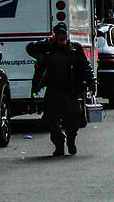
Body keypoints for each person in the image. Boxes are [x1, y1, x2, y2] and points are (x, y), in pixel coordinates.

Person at [27, 23, 96, 157]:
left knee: (74, 116)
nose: (61, 37)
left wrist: (90, 81)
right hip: (53, 90)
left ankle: (71, 140)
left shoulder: (75, 49)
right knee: (50, 119)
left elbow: (85, 66)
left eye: (63, 34)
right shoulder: (48, 49)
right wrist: (46, 42)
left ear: (67, 34)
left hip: (70, 90)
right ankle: (59, 144)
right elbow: (30, 48)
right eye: (58, 34)